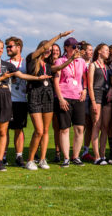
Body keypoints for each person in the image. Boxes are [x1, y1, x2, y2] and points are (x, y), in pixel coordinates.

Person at [0, 38, 50, 172]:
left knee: (3, 132)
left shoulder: (7, 65)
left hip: (5, 97)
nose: (0, 50)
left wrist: (38, 78)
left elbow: (21, 75)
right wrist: (2, 78)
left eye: (1, 48)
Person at [24, 30, 74, 170]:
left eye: (50, 50)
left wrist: (71, 59)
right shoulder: (32, 58)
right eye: (47, 49)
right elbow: (44, 48)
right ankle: (30, 160)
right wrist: (59, 36)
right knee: (38, 130)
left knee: (46, 130)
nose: (48, 51)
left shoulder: (47, 65)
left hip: (48, 96)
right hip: (35, 95)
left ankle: (42, 159)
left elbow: (58, 67)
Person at [53, 37, 88, 168]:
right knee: (64, 129)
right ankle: (66, 158)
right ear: (66, 48)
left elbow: (85, 79)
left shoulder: (81, 61)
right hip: (65, 97)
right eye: (73, 47)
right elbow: (56, 81)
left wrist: (84, 89)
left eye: (77, 47)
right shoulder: (60, 61)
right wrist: (60, 98)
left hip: (78, 97)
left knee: (79, 128)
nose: (76, 49)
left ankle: (76, 156)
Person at [4, 37, 29, 167]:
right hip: (6, 100)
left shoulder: (26, 63)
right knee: (4, 130)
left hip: (21, 100)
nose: (7, 48)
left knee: (19, 129)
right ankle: (3, 156)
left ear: (18, 47)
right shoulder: (4, 63)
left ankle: (19, 156)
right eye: (6, 46)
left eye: (10, 46)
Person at [88, 43, 112, 165]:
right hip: (96, 96)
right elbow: (90, 85)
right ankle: (96, 156)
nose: (108, 52)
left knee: (105, 127)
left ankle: (103, 155)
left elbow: (111, 82)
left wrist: (111, 90)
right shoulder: (93, 65)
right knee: (96, 125)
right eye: (106, 50)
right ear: (99, 52)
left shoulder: (107, 67)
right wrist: (92, 102)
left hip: (106, 97)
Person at [81, 42, 95, 162]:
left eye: (92, 50)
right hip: (81, 96)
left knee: (90, 124)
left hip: (92, 97)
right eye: (89, 50)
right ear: (83, 51)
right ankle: (77, 151)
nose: (91, 52)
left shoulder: (93, 64)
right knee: (82, 124)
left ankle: (85, 150)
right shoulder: (79, 63)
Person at [48, 43, 62, 162]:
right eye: (53, 50)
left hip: (59, 97)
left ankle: (58, 152)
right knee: (44, 127)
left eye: (57, 50)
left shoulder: (63, 63)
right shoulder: (46, 64)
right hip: (46, 97)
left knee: (58, 127)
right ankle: (38, 151)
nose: (55, 52)